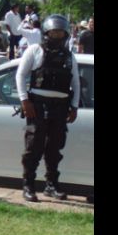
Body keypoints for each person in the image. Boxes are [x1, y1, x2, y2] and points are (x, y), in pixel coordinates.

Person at [16, 14, 80, 202]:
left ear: (65, 34)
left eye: (61, 32)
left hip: (60, 107)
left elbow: (75, 82)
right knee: (34, 146)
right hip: (37, 105)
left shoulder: (69, 56)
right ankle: (28, 185)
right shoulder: (35, 50)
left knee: (55, 148)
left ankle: (51, 185)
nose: (57, 35)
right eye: (54, 32)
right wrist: (24, 101)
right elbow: (20, 75)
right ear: (46, 32)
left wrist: (74, 106)